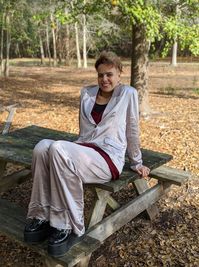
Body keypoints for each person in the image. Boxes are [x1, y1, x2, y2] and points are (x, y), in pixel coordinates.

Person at [24, 51, 150, 257]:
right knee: (42, 146)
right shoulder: (87, 93)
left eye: (109, 74)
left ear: (119, 73)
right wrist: (75, 150)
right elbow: (83, 133)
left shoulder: (128, 94)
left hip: (108, 157)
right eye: (100, 75)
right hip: (85, 151)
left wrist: (137, 162)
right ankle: (42, 216)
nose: (104, 79)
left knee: (58, 149)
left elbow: (132, 130)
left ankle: (67, 225)